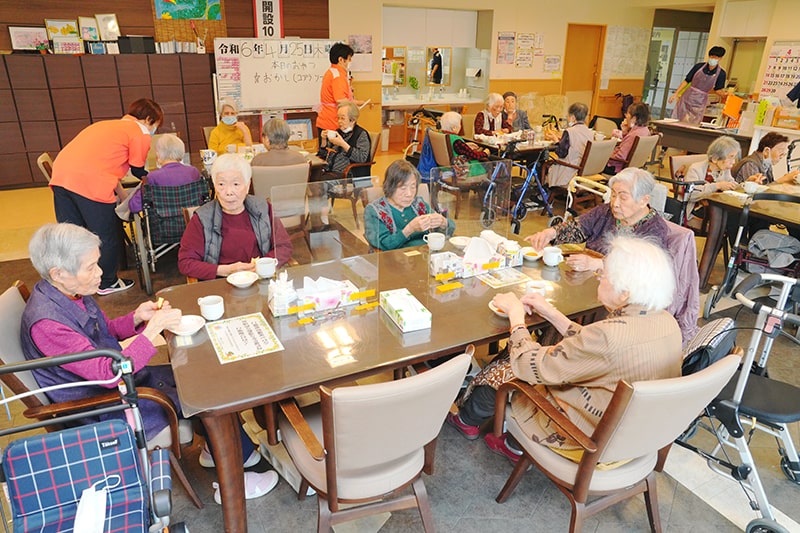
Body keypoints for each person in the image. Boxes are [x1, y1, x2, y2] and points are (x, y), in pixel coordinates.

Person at [22, 223, 280, 501]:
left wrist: (137, 317)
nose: (100, 273)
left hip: (118, 385)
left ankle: (221, 452)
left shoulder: (65, 295)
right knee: (206, 392)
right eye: (91, 267)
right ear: (58, 273)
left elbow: (104, 330)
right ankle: (231, 485)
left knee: (201, 373)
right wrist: (153, 329)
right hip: (106, 406)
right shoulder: (47, 324)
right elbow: (109, 375)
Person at [446, 235, 681, 461]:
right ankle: (504, 438)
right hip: (633, 435)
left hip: (584, 434)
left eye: (603, 274)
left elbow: (530, 366)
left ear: (625, 292)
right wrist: (551, 312)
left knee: (504, 371)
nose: (598, 277)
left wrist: (516, 317)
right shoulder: (667, 323)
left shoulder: (609, 337)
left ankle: (471, 422)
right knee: (536, 345)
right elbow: (595, 348)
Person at [50, 98, 163, 295]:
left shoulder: (106, 125)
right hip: (90, 183)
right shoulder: (140, 131)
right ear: (148, 119)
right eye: (156, 126)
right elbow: (137, 170)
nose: (154, 131)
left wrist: (121, 193)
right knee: (104, 235)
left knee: (72, 235)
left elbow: (102, 162)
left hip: (60, 178)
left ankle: (73, 283)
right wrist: (155, 179)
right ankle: (107, 282)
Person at [178, 154, 293, 281]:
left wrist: (261, 266)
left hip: (260, 280)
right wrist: (223, 270)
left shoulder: (263, 209)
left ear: (247, 185)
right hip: (219, 285)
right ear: (214, 186)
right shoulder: (202, 218)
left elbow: (284, 246)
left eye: (236, 184)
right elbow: (185, 262)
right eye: (221, 184)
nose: (228, 192)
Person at [364, 160, 454, 250]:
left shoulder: (418, 204)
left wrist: (443, 223)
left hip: (425, 254)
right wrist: (409, 229)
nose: (409, 194)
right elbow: (384, 244)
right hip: (395, 258)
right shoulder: (374, 211)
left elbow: (447, 229)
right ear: (390, 186)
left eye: (413, 187)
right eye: (403, 188)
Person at [126, 134, 203, 214]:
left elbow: (134, 206)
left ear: (158, 154)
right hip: (190, 222)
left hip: (162, 224)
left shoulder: (153, 177)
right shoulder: (193, 172)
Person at [684, 135, 740, 222]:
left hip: (717, 205)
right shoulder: (696, 169)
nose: (733, 162)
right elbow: (691, 194)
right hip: (699, 208)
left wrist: (744, 184)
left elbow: (731, 182)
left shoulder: (724, 169)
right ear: (715, 159)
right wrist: (717, 186)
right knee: (733, 216)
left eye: (734, 157)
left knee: (739, 214)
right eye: (730, 157)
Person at [316, 42, 358, 155]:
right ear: (341, 60)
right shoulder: (338, 76)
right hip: (333, 121)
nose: (350, 62)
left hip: (326, 119)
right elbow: (340, 100)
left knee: (324, 155)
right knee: (333, 157)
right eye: (349, 59)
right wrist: (355, 104)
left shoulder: (332, 72)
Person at [669, 46, 728, 125]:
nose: (713, 58)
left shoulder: (721, 73)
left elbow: (718, 89)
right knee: (679, 119)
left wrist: (725, 94)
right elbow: (687, 80)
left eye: (716, 57)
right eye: (711, 56)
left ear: (720, 58)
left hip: (700, 101)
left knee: (694, 123)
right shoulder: (698, 66)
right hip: (687, 97)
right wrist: (676, 93)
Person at [544, 102, 594, 187]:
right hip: (585, 170)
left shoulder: (569, 131)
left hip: (569, 170)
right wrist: (561, 141)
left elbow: (561, 153)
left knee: (544, 164)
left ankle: (544, 192)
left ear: (573, 118)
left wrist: (556, 140)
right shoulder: (590, 132)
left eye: (568, 116)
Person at [731, 132, 800, 185]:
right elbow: (755, 190)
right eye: (780, 150)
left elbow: (768, 186)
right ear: (766, 151)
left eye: (784, 152)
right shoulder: (750, 164)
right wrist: (784, 179)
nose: (783, 155)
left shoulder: (767, 164)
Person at [605, 102, 652, 174]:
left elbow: (621, 156)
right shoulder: (645, 130)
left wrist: (605, 154)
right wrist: (625, 132)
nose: (626, 116)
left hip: (615, 168)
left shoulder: (634, 135)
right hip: (633, 167)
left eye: (627, 114)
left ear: (634, 118)